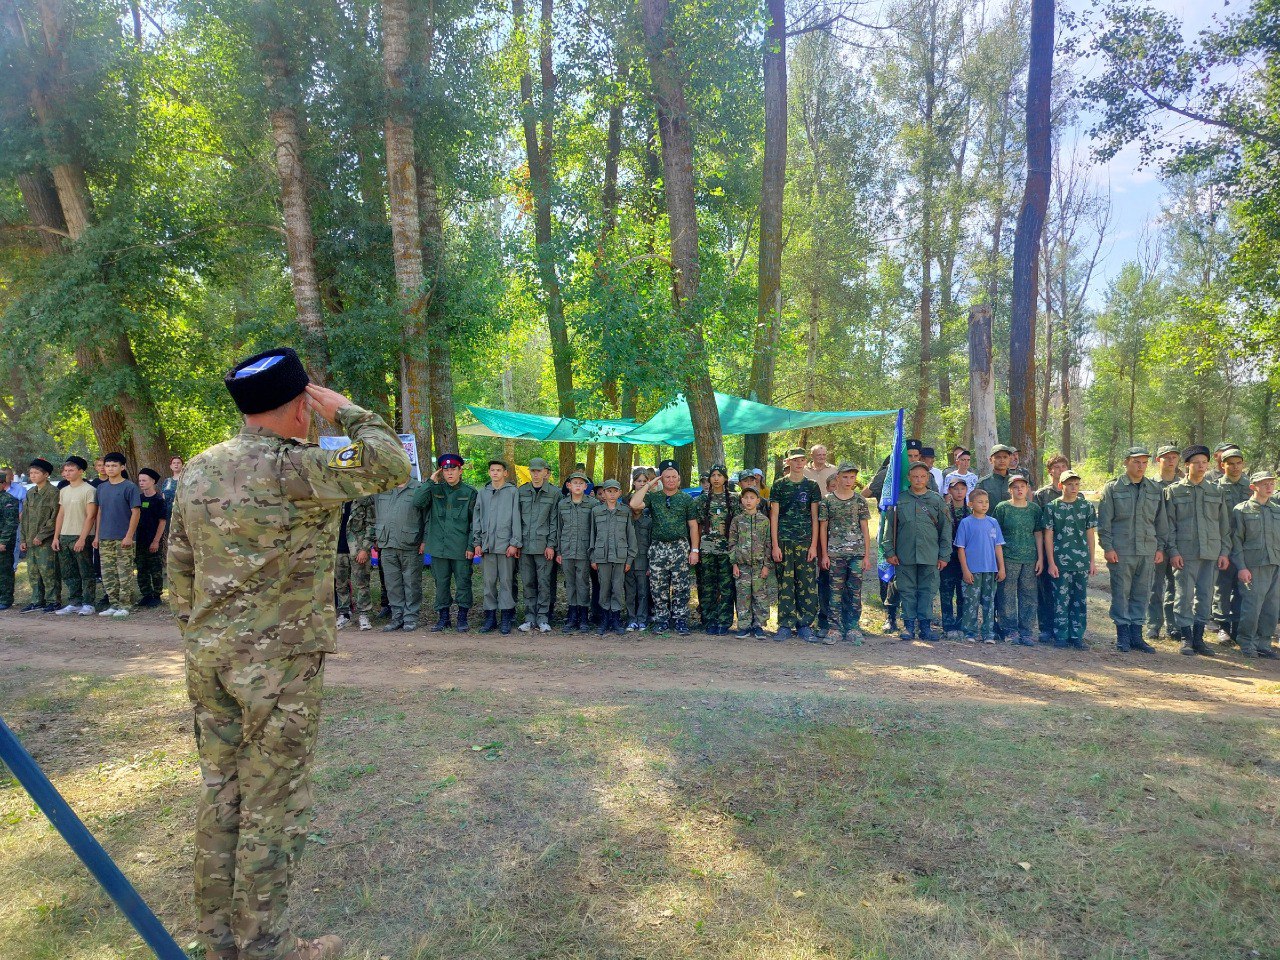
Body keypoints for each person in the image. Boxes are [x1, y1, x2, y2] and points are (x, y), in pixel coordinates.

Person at [169, 348, 409, 960]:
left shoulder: (198, 469)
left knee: (222, 791)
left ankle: (218, 940)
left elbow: (180, 566)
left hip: (210, 657)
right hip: (278, 663)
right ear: (302, 406)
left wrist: (200, 637)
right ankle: (264, 946)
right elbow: (391, 463)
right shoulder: (298, 467)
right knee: (272, 803)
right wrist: (347, 410)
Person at [1096, 447, 1165, 653]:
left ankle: (1137, 635)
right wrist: (1108, 547)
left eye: (1144, 462)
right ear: (1126, 462)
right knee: (1121, 593)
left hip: (1147, 549)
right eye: (1136, 462)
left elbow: (1161, 522)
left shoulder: (1154, 489)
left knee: (1142, 593)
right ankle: (1123, 635)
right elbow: (1104, 522)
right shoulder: (1113, 488)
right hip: (1122, 550)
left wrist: (1160, 547)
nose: (1141, 466)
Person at [1164, 445, 1231, 657]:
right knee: (1184, 595)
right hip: (1185, 552)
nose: (1201, 466)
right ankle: (1186, 638)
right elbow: (1168, 525)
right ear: (1187, 465)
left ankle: (1199, 638)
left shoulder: (1216, 491)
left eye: (1204, 462)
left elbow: (1224, 526)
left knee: (1206, 595)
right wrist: (1173, 551)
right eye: (1197, 463)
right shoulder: (1173, 491)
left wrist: (1224, 552)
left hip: (1211, 552)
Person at [881, 461, 952, 642]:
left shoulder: (936, 500)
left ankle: (925, 627)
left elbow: (945, 529)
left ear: (928, 478)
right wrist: (889, 551)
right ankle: (909, 626)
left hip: (930, 554)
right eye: (915, 477)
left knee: (928, 591)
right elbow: (889, 529)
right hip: (905, 554)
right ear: (909, 478)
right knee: (907, 590)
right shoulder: (900, 500)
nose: (919, 480)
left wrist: (944, 555)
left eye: (922, 476)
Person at [629, 459, 699, 635]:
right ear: (661, 478)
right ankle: (661, 620)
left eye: (674, 477)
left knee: (681, 586)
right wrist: (649, 484)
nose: (671, 480)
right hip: (658, 548)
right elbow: (634, 504)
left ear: (679, 478)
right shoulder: (654, 498)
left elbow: (693, 526)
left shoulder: (686, 499)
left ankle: (680, 620)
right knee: (658, 586)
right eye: (667, 477)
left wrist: (694, 550)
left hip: (680, 547)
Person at [415, 453, 477, 632]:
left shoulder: (470, 492)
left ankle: (462, 618)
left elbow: (475, 522)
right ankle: (443, 618)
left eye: (453, 469)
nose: (449, 473)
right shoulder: (435, 490)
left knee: (463, 583)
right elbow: (417, 502)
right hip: (439, 547)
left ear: (460, 471)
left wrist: (471, 546)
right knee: (441, 584)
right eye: (445, 470)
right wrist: (430, 481)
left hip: (460, 548)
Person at [770, 448, 822, 642]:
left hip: (805, 541)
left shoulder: (812, 486)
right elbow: (774, 516)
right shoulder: (779, 485)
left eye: (802, 460)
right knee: (785, 583)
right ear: (788, 462)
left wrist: (813, 545)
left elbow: (815, 517)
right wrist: (775, 545)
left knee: (806, 584)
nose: (799, 463)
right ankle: (785, 624)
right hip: (784, 541)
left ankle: (805, 625)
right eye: (795, 460)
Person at [819, 462, 872, 645]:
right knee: (835, 592)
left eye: (852, 477)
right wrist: (825, 555)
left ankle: (853, 627)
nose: (849, 481)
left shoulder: (860, 501)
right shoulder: (827, 501)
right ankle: (834, 628)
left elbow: (865, 529)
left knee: (854, 592)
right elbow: (823, 528)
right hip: (835, 554)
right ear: (838, 478)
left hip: (856, 553)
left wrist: (866, 556)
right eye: (845, 477)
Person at [1043, 470, 1097, 650]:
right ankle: (1061, 635)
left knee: (1079, 599)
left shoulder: (1086, 506)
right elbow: (1048, 535)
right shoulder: (1052, 507)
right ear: (1061, 486)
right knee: (1060, 599)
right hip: (1060, 561)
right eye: (1069, 484)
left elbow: (1090, 534)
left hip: (1081, 560)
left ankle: (1077, 635)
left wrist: (1092, 560)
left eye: (1076, 484)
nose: (1074, 488)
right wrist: (1051, 562)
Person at [1230, 470, 1280, 658]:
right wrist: (1241, 567)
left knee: (1271, 607)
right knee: (1252, 607)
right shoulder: (1241, 510)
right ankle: (1246, 643)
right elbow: (1236, 541)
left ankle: (1264, 644)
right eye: (1264, 484)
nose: (1269, 487)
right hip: (1253, 565)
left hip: (1275, 563)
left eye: (1271, 483)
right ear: (1253, 487)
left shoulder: (1277, 509)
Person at [990, 475, 1042, 646]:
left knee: (1029, 595)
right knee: (1007, 594)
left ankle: (1026, 631)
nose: (1019, 490)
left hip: (1030, 558)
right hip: (1008, 558)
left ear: (1027, 489)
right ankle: (1009, 630)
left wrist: (1040, 558)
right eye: (1015, 487)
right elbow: (995, 534)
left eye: (1022, 486)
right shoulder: (1002, 508)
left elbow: (1038, 533)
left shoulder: (1034, 509)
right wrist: (998, 562)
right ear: (1010, 489)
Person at [472, 459, 522, 635]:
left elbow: (517, 518)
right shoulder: (483, 493)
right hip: (487, 545)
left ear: (505, 473)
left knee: (507, 581)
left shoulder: (512, 492)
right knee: (489, 582)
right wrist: (477, 542)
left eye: (499, 470)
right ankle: (490, 617)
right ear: (489, 472)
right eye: (492, 470)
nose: (495, 473)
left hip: (505, 545)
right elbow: (477, 518)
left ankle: (506, 617)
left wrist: (514, 543)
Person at [374, 473, 425, 632]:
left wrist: (424, 540)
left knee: (411, 583)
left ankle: (410, 617)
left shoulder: (419, 488)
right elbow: (376, 512)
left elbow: (427, 517)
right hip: (387, 542)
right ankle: (397, 617)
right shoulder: (383, 488)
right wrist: (376, 535)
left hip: (410, 542)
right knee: (392, 584)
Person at [93, 452, 142, 618]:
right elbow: (99, 512)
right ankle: (113, 604)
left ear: (122, 467)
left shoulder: (130, 487)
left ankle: (125, 605)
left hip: (124, 538)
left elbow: (136, 512)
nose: (110, 469)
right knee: (108, 574)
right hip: (105, 537)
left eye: (114, 465)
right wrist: (97, 536)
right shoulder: (101, 488)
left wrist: (129, 536)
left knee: (124, 572)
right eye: (107, 466)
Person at [954, 489, 1005, 643]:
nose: (984, 505)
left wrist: (1001, 567)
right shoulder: (966, 523)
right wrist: (965, 570)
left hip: (990, 569)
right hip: (972, 571)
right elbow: (961, 548)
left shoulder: (993, 522)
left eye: (986, 502)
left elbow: (998, 546)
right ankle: (969, 632)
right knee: (971, 602)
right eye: (980, 502)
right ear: (971, 504)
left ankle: (988, 633)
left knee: (989, 603)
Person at [51, 456, 98, 616]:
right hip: (64, 536)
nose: (67, 473)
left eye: (71, 470)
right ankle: (74, 602)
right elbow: (61, 515)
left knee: (85, 571)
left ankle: (88, 603)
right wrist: (56, 537)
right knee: (69, 572)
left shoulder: (89, 490)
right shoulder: (64, 491)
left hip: (81, 535)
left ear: (81, 471)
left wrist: (82, 538)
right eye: (65, 470)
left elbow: (91, 516)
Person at [1212, 447, 1250, 647]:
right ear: (1222, 465)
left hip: (1246, 544)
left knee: (1243, 587)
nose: (1235, 467)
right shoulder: (1216, 487)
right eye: (1231, 464)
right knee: (1223, 586)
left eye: (1238, 463)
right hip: (1224, 543)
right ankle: (1223, 626)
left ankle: (1237, 626)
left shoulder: (1251, 486)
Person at [517, 457, 559, 634]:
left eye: (538, 471)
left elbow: (555, 521)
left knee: (544, 583)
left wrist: (551, 545)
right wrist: (516, 543)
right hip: (525, 546)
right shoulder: (522, 491)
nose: (535, 474)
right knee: (528, 583)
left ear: (546, 472)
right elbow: (516, 519)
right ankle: (529, 618)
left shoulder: (554, 493)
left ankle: (543, 618)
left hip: (543, 546)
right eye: (532, 471)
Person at [1146, 445, 1183, 642]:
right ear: (1157, 460)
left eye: (1174, 457)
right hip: (1156, 542)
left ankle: (1173, 625)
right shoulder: (1150, 485)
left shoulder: (1184, 485)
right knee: (1155, 585)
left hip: (1178, 542)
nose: (1170, 461)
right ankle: (1153, 624)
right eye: (1166, 457)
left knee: (1176, 585)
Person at [590, 479, 635, 636]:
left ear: (620, 493)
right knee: (604, 588)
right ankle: (604, 619)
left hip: (620, 557)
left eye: (615, 491)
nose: (612, 494)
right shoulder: (596, 511)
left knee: (617, 588)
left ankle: (615, 619)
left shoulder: (625, 511)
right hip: (602, 556)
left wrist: (629, 559)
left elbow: (631, 536)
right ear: (603, 493)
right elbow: (592, 535)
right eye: (609, 491)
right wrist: (593, 557)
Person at [695, 464, 736, 634]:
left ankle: (724, 621)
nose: (716, 478)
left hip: (727, 550)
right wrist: (696, 549)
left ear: (725, 478)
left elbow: (736, 525)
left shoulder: (733, 499)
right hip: (707, 550)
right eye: (713, 475)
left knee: (726, 586)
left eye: (720, 475)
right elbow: (697, 525)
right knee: (707, 586)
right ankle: (709, 620)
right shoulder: (702, 500)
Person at [729, 485, 774, 639]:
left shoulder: (764, 521)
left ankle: (759, 625)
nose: (749, 501)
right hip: (742, 566)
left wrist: (766, 565)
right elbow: (732, 543)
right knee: (743, 596)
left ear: (758, 500)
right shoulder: (737, 520)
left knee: (760, 596)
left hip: (759, 566)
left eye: (752, 498)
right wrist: (734, 564)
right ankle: (744, 625)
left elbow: (768, 544)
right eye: (746, 498)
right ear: (741, 500)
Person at [1034, 453, 1069, 641]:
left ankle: (1065, 628)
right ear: (1050, 471)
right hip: (1048, 550)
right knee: (1046, 589)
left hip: (1068, 549)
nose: (1060, 470)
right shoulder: (1042, 495)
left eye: (1063, 467)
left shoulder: (1075, 493)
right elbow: (1038, 525)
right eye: (1056, 467)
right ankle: (1046, 628)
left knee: (1067, 590)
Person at [18, 458, 60, 613]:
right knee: (33, 572)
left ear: (46, 474)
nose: (33, 476)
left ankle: (53, 601)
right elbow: (25, 518)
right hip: (30, 540)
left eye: (36, 473)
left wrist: (41, 536)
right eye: (31, 473)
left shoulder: (53, 492)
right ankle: (37, 601)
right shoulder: (30, 492)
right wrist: (23, 539)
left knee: (48, 571)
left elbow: (54, 517)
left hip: (45, 541)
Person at [557, 472, 595, 632]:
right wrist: (558, 551)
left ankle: (584, 617)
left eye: (581, 483)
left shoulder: (592, 504)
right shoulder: (562, 504)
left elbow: (595, 531)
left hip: (584, 551)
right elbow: (559, 529)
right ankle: (572, 616)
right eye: (575, 483)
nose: (578, 485)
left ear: (586, 486)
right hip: (566, 550)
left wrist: (593, 552)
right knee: (570, 583)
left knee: (583, 583)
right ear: (569, 486)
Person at [938, 480, 971, 636]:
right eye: (955, 489)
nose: (959, 492)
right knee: (946, 591)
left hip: (966, 558)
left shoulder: (971, 511)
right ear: (949, 491)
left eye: (962, 489)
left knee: (964, 592)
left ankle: (962, 622)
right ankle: (948, 624)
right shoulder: (943, 510)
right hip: (948, 557)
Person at [134, 468, 169, 608]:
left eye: (144, 480)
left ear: (153, 481)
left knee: (155, 568)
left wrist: (156, 541)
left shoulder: (159, 500)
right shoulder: (138, 499)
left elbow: (162, 522)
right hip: (140, 540)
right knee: (141, 568)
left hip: (153, 540)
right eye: (140, 480)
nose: (141, 483)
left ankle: (156, 595)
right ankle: (146, 594)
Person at [343, 496, 376, 630]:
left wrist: (365, 549)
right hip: (339, 549)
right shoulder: (335, 498)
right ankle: (344, 614)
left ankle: (363, 614)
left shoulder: (364, 499)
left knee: (362, 582)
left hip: (358, 548)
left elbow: (371, 524)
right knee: (341, 584)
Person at [0, 471, 19, 610]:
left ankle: (5, 599)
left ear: (2, 484)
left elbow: (11, 523)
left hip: (3, 541)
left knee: (4, 570)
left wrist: (3, 541)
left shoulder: (8, 500)